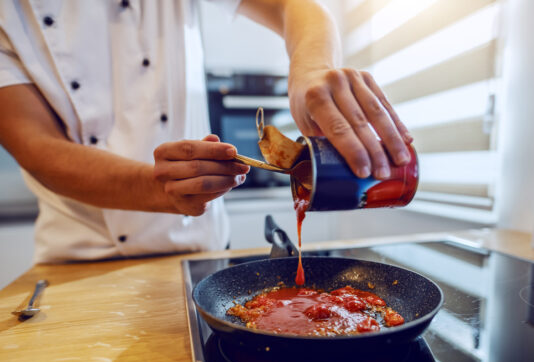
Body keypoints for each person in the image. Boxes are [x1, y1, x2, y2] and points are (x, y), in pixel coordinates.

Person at [0, 0, 412, 264]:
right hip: (81, 257)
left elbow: (298, 6)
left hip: (202, 250)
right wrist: (157, 185)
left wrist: (311, 68)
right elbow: (36, 147)